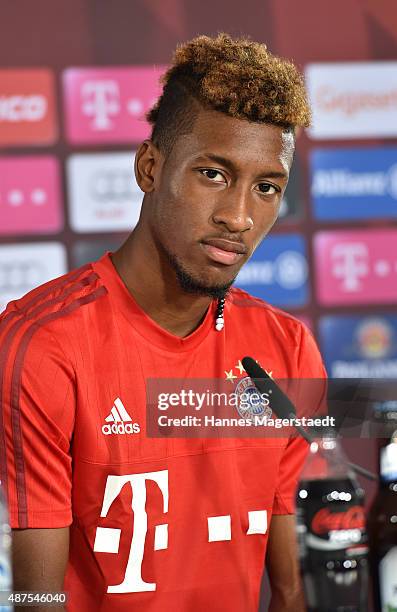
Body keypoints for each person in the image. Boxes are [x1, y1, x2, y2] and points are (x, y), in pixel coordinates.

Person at [0, 33, 326, 612]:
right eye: (213, 175)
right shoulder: (43, 343)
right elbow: (37, 596)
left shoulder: (288, 348)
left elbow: (288, 587)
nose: (239, 217)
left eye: (267, 187)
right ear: (150, 167)